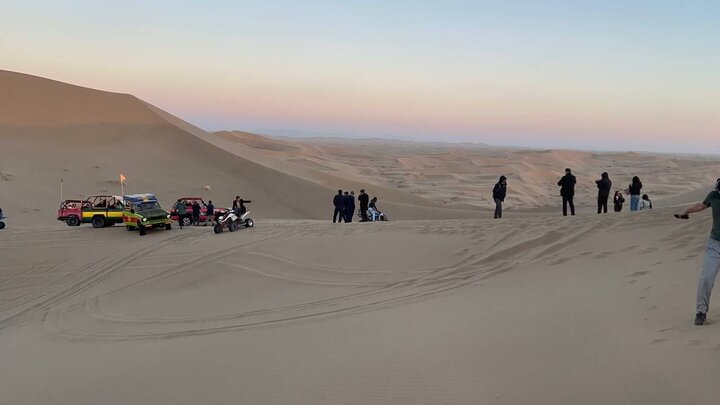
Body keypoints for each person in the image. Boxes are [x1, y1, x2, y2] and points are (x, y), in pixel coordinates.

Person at [675, 179, 720, 325]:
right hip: (714, 244)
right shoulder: (714, 195)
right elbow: (701, 205)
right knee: (706, 278)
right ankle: (701, 312)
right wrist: (685, 212)